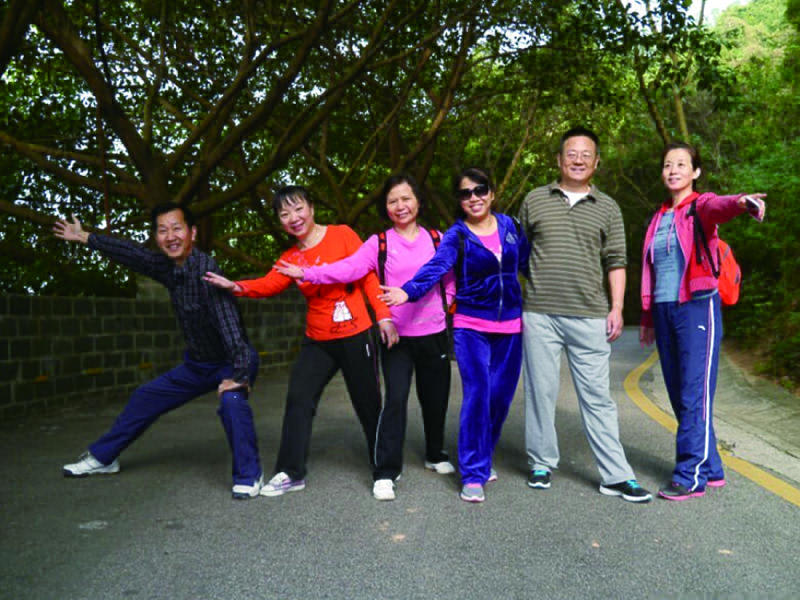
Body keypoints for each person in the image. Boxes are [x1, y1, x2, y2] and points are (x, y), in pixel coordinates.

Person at [55, 203, 263, 500]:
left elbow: (231, 327)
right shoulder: (169, 267)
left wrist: (240, 375)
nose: (170, 236)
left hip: (232, 361)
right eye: (163, 230)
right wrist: (85, 237)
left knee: (232, 401)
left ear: (192, 232)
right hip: (198, 365)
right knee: (146, 396)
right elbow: (133, 254)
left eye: (177, 228)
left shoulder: (206, 272)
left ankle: (249, 475)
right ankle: (104, 457)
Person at [203, 185, 393, 499]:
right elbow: (267, 284)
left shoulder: (342, 235)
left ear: (311, 208)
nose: (293, 217)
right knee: (299, 398)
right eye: (284, 213)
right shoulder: (290, 258)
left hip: (356, 334)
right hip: (317, 340)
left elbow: (368, 277)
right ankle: (291, 472)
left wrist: (383, 316)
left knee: (368, 403)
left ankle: (384, 470)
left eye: (298, 208)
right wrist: (235, 286)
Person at [275, 174, 456, 501]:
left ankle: (435, 453)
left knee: (435, 398)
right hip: (397, 336)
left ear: (418, 202)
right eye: (392, 201)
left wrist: (449, 304)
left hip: (434, 333)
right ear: (385, 207)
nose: (400, 206)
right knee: (395, 400)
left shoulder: (437, 238)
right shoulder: (378, 243)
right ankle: (386, 471)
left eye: (406, 198)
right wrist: (308, 273)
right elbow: (348, 268)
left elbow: (451, 275)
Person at [519, 126, 652, 503]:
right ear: (559, 159)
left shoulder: (608, 207)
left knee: (597, 397)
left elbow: (616, 261)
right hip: (540, 314)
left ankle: (616, 475)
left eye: (585, 154)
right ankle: (541, 462)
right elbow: (519, 253)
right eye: (571, 153)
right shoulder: (534, 199)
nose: (578, 160)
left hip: (590, 315)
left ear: (596, 162)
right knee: (540, 391)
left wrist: (617, 307)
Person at [379, 167, 529, 503]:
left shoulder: (511, 227)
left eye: (480, 190)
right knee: (478, 395)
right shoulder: (456, 235)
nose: (474, 197)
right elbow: (435, 267)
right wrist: (408, 291)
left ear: (491, 193)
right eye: (465, 193)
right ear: (459, 201)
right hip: (471, 326)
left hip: (510, 327)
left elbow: (530, 264)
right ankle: (473, 473)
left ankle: (483, 456)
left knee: (499, 398)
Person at [640, 141, 766, 501]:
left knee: (694, 393)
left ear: (695, 172)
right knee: (678, 392)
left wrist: (741, 202)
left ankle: (689, 475)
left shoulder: (700, 207)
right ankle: (711, 467)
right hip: (664, 310)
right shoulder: (658, 217)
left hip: (697, 307)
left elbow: (719, 206)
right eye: (668, 164)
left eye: (681, 164)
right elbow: (651, 272)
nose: (673, 170)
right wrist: (648, 316)